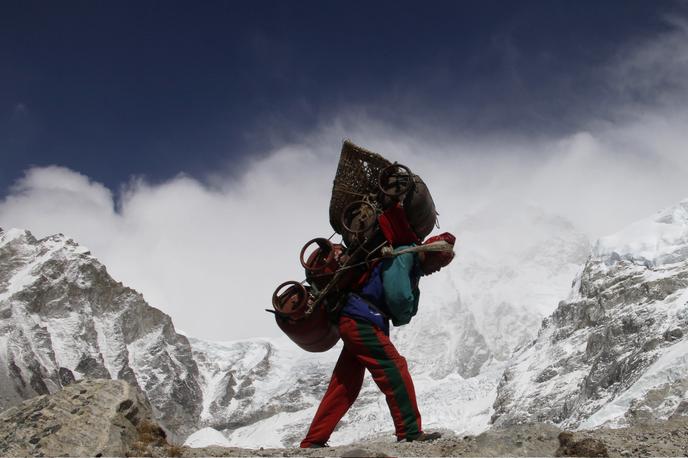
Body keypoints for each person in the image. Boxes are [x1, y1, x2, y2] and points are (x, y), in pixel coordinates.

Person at [300, 232, 456, 448]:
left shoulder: (410, 264)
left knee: (345, 383)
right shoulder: (404, 257)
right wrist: (406, 311)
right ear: (430, 253)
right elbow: (398, 298)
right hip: (363, 320)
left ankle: (314, 440)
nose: (438, 269)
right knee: (395, 369)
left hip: (357, 318)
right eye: (439, 263)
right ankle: (410, 432)